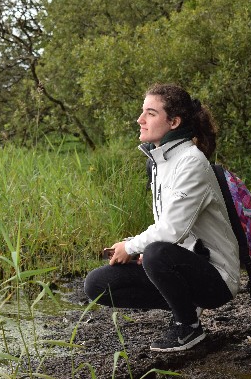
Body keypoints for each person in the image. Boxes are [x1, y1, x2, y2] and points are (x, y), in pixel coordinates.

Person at [84, 83, 240, 352]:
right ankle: (185, 305)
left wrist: (131, 247)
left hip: (217, 277)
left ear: (174, 122)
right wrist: (138, 249)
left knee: (156, 252)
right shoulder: (159, 162)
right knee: (97, 284)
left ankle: (188, 327)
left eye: (151, 113)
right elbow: (169, 226)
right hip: (186, 262)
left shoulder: (191, 162)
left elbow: (172, 230)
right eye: (142, 111)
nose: (140, 119)